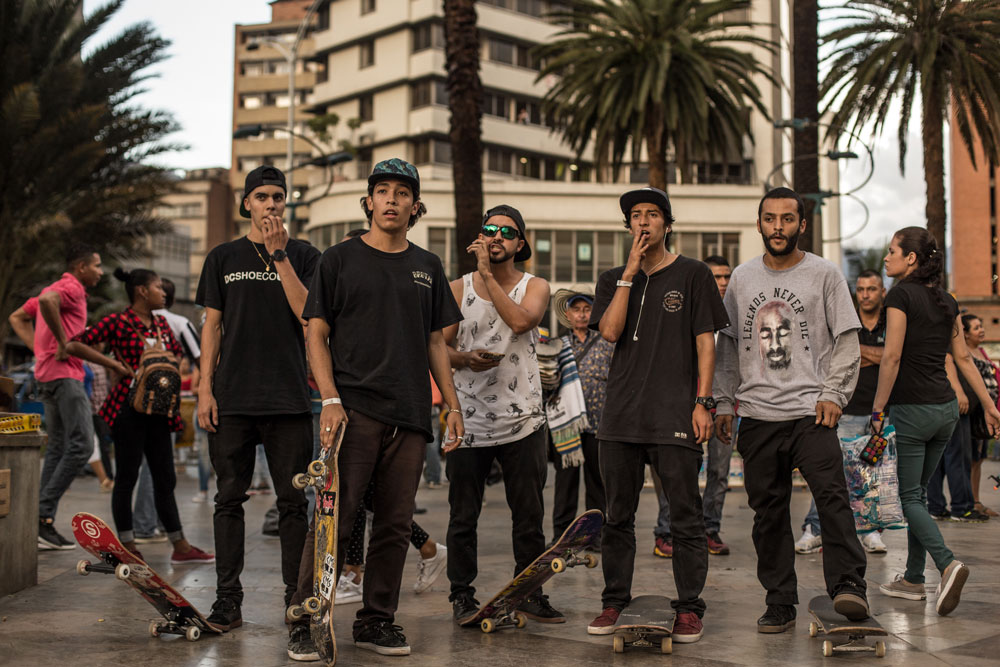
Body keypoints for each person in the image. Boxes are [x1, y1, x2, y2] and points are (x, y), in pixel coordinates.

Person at [299, 158, 464, 658]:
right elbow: (316, 333)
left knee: (394, 523)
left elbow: (435, 342)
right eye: (383, 190)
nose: (392, 199)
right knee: (335, 516)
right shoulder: (338, 259)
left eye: (403, 192)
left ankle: (376, 621)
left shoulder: (427, 266)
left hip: (410, 413)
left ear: (415, 206)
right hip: (353, 410)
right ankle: (306, 618)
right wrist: (330, 399)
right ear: (369, 201)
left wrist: (452, 404)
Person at [713, 187, 869, 633]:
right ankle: (780, 600)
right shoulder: (742, 279)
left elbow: (847, 341)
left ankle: (849, 585)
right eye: (770, 218)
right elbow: (728, 348)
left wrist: (834, 394)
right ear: (759, 223)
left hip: (810, 412)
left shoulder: (824, 274)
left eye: (786, 219)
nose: (777, 227)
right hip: (757, 415)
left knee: (832, 499)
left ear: (802, 224)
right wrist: (723, 401)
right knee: (768, 516)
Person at [586, 187, 728, 644]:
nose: (643, 222)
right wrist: (629, 273)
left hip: (674, 415)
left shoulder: (693, 273)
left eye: (652, 214)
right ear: (628, 226)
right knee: (617, 517)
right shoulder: (612, 278)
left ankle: (689, 608)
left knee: (686, 516)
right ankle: (614, 602)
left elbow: (706, 343)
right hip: (620, 417)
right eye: (635, 215)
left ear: (667, 223)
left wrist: (704, 402)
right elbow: (610, 332)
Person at [196, 165, 320, 633]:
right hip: (232, 399)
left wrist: (279, 254)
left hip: (288, 399)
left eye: (278, 197)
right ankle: (227, 600)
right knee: (228, 499)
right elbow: (212, 326)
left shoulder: (304, 255)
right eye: (262, 196)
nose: (271, 204)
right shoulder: (222, 257)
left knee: (293, 504)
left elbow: (308, 315)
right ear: (246, 203)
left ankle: (296, 600)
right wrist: (205, 388)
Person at [873, 227, 1000, 615]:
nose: (886, 257)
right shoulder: (948, 300)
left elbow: (892, 356)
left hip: (912, 410)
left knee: (909, 497)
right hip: (945, 410)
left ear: (910, 258)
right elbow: (963, 359)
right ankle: (913, 578)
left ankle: (947, 564)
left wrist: (877, 409)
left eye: (892, 251)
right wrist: (989, 405)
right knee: (921, 495)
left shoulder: (899, 296)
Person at [444, 204, 557, 625]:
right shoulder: (457, 289)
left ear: (520, 244)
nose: (496, 237)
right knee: (462, 517)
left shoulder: (535, 285)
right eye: (489, 229)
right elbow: (437, 348)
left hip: (523, 422)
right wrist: (464, 359)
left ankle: (529, 593)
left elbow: (522, 322)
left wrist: (487, 276)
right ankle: (461, 595)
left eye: (507, 233)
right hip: (468, 421)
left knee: (528, 517)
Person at [65, 268, 213, 564]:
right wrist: (113, 364)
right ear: (142, 291)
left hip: (160, 411)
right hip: (128, 409)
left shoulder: (161, 325)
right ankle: (128, 545)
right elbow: (74, 344)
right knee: (127, 477)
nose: (164, 293)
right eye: (158, 287)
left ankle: (180, 546)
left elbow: (177, 354)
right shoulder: (117, 322)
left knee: (165, 478)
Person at [8, 244, 104, 549]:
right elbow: (47, 301)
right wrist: (62, 342)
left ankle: (39, 520)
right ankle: (42, 513)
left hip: (47, 375)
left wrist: (40, 351)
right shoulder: (71, 287)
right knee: (82, 445)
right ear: (81, 267)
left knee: (59, 447)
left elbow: (17, 317)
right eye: (97, 265)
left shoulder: (57, 287)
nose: (101, 272)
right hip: (65, 376)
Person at [795, 270, 891, 554]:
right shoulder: (846, 319)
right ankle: (814, 528)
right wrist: (876, 355)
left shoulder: (890, 323)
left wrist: (859, 353)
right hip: (844, 410)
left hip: (880, 414)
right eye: (861, 289)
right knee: (829, 475)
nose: (865, 295)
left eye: (871, 289)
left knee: (871, 475)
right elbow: (836, 357)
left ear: (882, 292)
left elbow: (894, 357)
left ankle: (869, 530)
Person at [652, 254, 735, 558]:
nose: (722, 283)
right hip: (687, 405)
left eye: (726, 277)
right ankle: (667, 531)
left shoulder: (734, 317)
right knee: (677, 471)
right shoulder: (683, 313)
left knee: (719, 472)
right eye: (716, 277)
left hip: (725, 405)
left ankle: (709, 529)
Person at [550, 285, 611, 543]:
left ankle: (594, 536)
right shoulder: (558, 345)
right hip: (568, 425)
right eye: (577, 310)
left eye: (587, 309)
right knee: (565, 484)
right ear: (568, 314)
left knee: (598, 484)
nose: (582, 314)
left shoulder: (607, 342)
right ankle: (561, 537)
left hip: (599, 424)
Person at [960, 314, 999, 518]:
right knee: (971, 458)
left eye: (981, 326)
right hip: (975, 413)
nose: (981, 330)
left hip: (987, 414)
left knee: (980, 458)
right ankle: (970, 502)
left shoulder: (981, 351)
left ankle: (976, 500)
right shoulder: (964, 353)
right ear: (965, 334)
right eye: (976, 328)